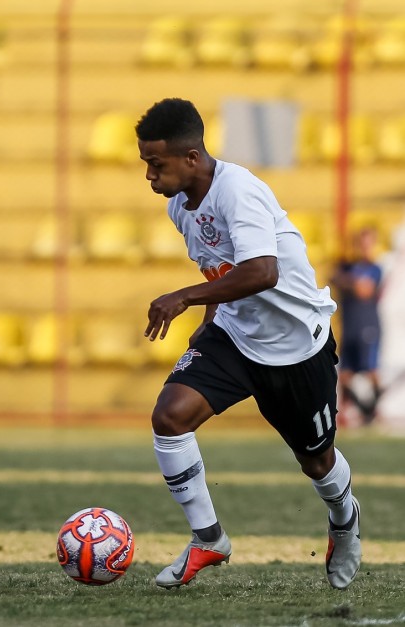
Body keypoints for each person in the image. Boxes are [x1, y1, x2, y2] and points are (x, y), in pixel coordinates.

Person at [135, 98, 361, 590]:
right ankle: (208, 538)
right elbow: (222, 265)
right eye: (145, 165)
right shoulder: (180, 206)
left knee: (316, 462)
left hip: (297, 345)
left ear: (191, 157)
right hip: (235, 336)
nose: (150, 176)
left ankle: (344, 518)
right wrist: (210, 318)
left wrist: (185, 298)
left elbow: (262, 271)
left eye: (157, 164)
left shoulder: (238, 191)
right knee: (170, 417)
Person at [332, 226, 383, 425]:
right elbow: (333, 278)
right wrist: (351, 282)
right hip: (350, 326)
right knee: (345, 375)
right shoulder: (347, 266)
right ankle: (354, 413)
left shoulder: (375, 268)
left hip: (368, 326)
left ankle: (372, 411)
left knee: (371, 371)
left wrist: (346, 281)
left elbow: (364, 290)